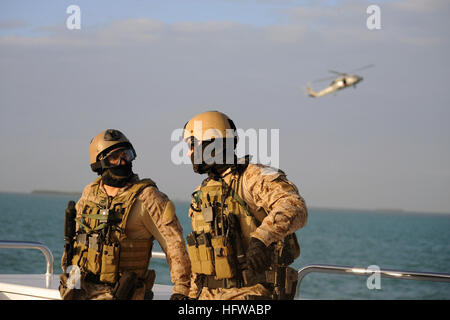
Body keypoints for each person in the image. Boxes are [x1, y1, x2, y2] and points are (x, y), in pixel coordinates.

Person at [182, 111, 308, 300]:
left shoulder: (251, 177)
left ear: (210, 143)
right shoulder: (201, 193)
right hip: (206, 294)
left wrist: (261, 239)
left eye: (192, 145)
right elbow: (201, 255)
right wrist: (190, 295)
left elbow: (295, 206)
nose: (189, 153)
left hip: (250, 292)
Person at [59, 129, 191, 300]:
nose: (123, 162)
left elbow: (174, 246)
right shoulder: (90, 193)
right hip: (80, 292)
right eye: (116, 157)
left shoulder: (148, 197)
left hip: (122, 294)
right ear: (101, 162)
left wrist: (181, 291)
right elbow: (75, 242)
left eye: (127, 155)